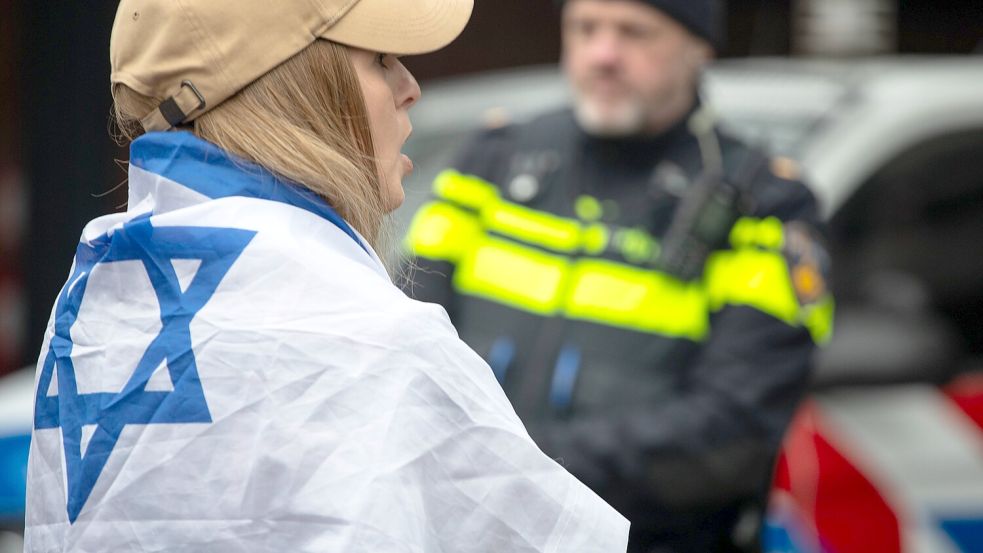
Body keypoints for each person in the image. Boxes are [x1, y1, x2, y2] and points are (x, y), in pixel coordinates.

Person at [23, 0, 631, 551]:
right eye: (382, 59)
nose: (411, 87)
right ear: (298, 90)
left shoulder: (89, 301)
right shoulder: (373, 334)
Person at [403, 0, 834, 551]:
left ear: (699, 47)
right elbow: (407, 334)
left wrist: (514, 465)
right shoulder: (495, 160)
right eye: (585, 28)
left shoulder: (764, 203)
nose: (602, 54)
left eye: (635, 32)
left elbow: (731, 435)